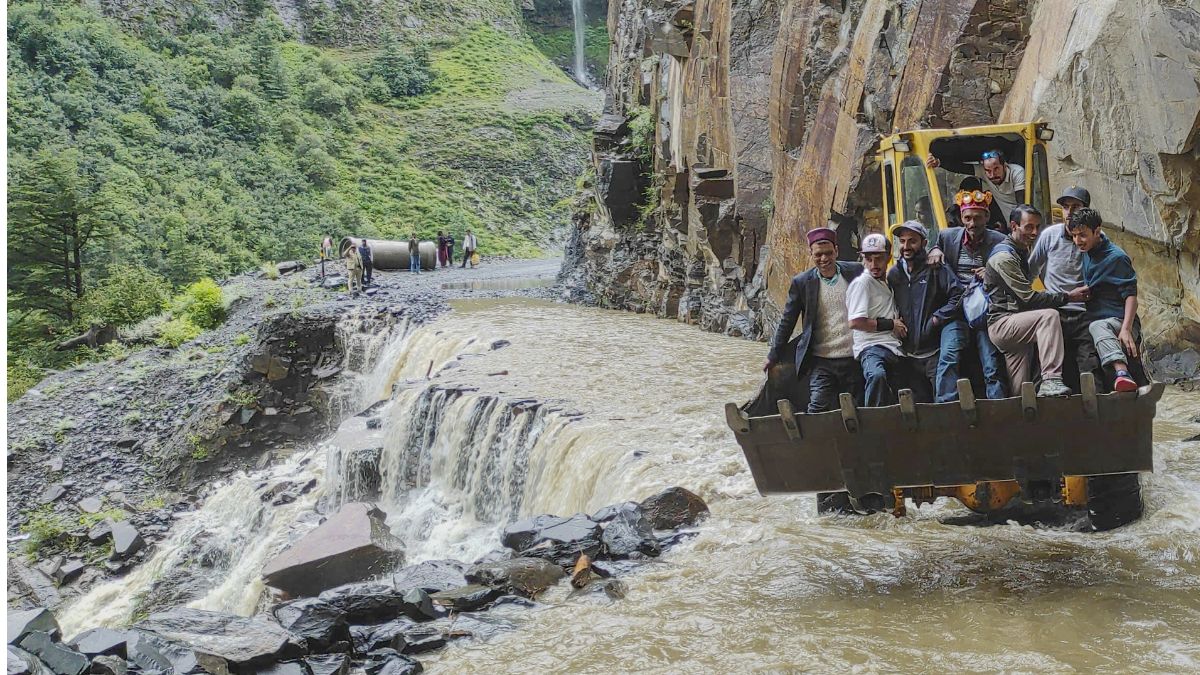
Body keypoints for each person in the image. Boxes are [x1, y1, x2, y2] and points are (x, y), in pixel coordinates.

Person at [984, 204, 1090, 396]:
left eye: (1037, 227)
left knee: (1021, 390)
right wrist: (1068, 296)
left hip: (1017, 325)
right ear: (1014, 226)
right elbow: (1029, 298)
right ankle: (1051, 380)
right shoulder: (1004, 257)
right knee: (1048, 317)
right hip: (1003, 324)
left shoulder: (1020, 251)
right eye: (1028, 227)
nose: (1034, 233)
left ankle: (1022, 418)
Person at [765, 227, 864, 413]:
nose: (824, 259)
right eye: (818, 254)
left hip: (854, 358)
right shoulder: (802, 282)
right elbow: (788, 320)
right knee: (817, 407)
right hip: (821, 360)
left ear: (837, 251)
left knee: (857, 409)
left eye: (828, 253)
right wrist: (773, 355)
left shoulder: (856, 272)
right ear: (811, 254)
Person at [927, 189, 1009, 399]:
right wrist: (935, 249)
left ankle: (999, 407)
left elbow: (1013, 271)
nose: (972, 224)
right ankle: (946, 407)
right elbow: (934, 248)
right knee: (948, 357)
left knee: (991, 363)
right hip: (956, 311)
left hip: (984, 313)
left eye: (978, 218)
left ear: (987, 217)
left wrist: (990, 273)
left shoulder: (999, 241)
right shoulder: (947, 237)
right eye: (968, 218)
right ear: (962, 218)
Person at [1029, 185, 1097, 390]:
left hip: (1085, 312)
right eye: (1066, 207)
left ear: (1086, 210)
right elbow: (1031, 270)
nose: (1069, 212)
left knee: (1090, 365)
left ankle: (1098, 410)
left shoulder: (1095, 239)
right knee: (1041, 363)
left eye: (1075, 206)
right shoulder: (1049, 235)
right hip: (1054, 311)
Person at [887, 221, 964, 403]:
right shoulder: (894, 274)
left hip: (934, 352)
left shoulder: (936, 269)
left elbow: (959, 295)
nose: (906, 246)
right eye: (902, 241)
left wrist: (937, 318)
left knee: (944, 406)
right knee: (918, 410)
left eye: (912, 241)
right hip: (908, 357)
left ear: (923, 242)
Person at [1067, 208, 1142, 392]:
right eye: (1074, 236)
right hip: (1094, 316)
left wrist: (1126, 329)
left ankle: (1122, 373)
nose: (1078, 241)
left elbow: (1131, 295)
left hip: (1119, 320)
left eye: (1082, 235)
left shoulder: (1116, 257)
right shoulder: (1087, 251)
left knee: (1097, 326)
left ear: (1097, 231)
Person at [847, 233, 907, 407]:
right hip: (871, 347)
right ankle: (872, 422)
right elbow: (855, 322)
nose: (874, 265)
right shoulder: (863, 284)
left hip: (894, 348)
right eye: (869, 259)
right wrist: (891, 324)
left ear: (888, 257)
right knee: (876, 376)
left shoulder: (886, 282)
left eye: (879, 259)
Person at [928, 149, 1026, 220]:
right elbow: (961, 167)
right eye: (988, 171)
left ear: (1005, 166)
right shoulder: (983, 172)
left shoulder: (1017, 172)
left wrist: (1018, 223)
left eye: (996, 169)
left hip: (1020, 220)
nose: (992, 175)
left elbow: (1022, 205)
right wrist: (938, 162)